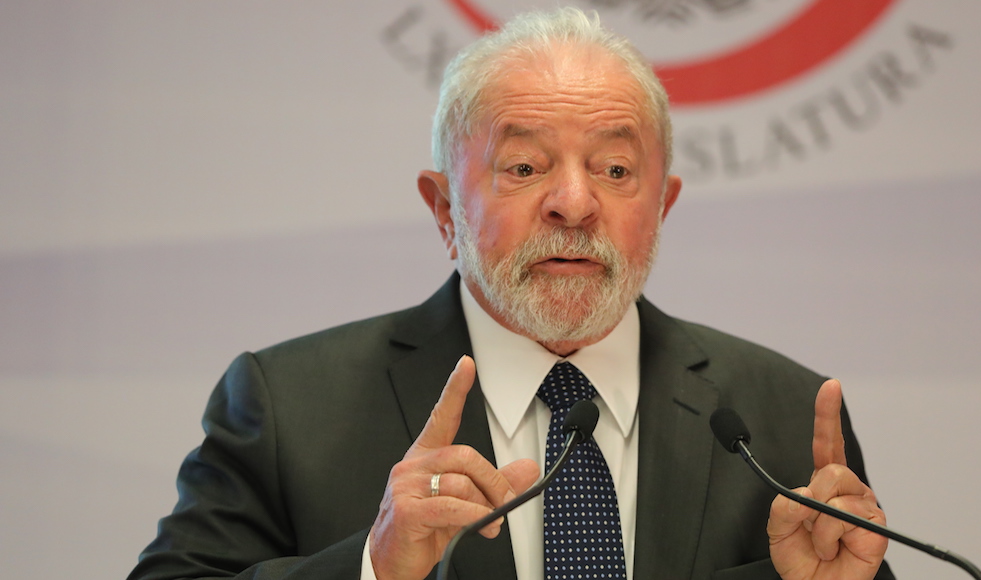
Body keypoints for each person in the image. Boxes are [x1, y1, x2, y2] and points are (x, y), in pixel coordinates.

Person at [129, 8, 893, 580]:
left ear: (662, 207)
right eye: (524, 168)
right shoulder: (289, 408)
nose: (574, 204)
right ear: (444, 210)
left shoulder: (782, 417)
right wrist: (374, 567)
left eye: (615, 171)